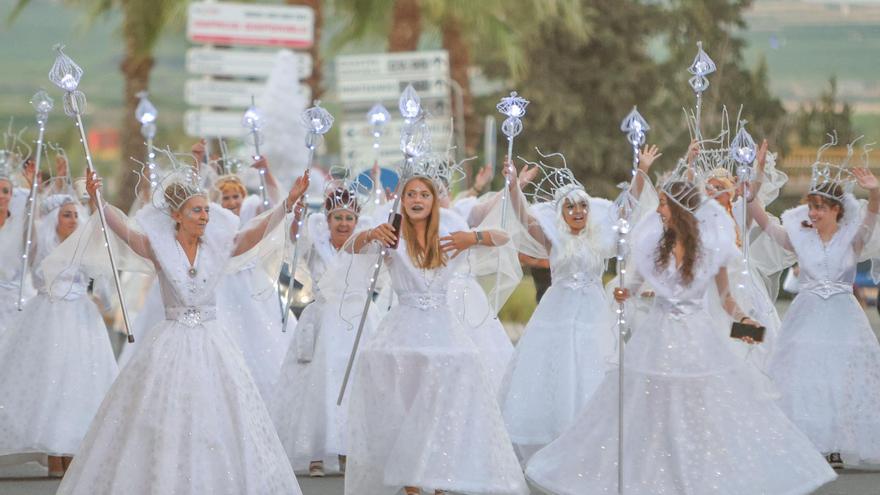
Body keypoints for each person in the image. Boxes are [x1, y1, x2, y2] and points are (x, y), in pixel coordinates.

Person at [524, 168, 837, 495]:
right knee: (650, 403)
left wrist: (747, 322)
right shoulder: (652, 247)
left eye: (663, 204)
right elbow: (628, 286)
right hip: (657, 335)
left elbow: (727, 298)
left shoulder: (711, 250)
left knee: (698, 403)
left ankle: (695, 464)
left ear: (680, 209)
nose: (658, 210)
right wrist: (622, 293)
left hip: (696, 335)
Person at [51, 164, 308, 494]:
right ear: (178, 215)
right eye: (198, 210)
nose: (205, 216)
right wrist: (96, 198)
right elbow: (122, 231)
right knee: (161, 412)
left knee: (222, 413)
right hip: (171, 340)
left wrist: (287, 202)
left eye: (206, 210)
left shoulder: (217, 247)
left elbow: (253, 234)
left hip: (213, 341)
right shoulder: (158, 248)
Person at [343, 168, 527, 495]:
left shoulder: (452, 226)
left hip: (444, 329)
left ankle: (439, 476)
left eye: (424, 194)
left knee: (441, 407)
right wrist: (371, 235)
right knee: (406, 406)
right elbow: (351, 247)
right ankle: (412, 480)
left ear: (434, 201)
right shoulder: (392, 229)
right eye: (411, 194)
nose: (417, 200)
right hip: (403, 329)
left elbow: (502, 237)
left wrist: (473, 237)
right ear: (402, 199)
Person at [747, 156, 880, 468]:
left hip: (842, 317)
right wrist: (754, 184)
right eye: (812, 206)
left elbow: (873, 214)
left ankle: (837, 443)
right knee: (805, 376)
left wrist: (874, 191)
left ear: (837, 210)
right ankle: (809, 442)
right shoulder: (800, 238)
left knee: (840, 377)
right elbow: (765, 222)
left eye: (821, 207)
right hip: (806, 317)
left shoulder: (853, 239)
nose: (814, 212)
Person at [0, 192, 117, 477]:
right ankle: (54, 452)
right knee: (52, 379)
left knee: (79, 381)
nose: (73, 220)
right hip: (48, 317)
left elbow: (102, 268)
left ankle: (73, 449)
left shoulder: (83, 247)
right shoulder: (40, 245)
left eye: (76, 215)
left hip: (80, 318)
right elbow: (26, 231)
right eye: (67, 215)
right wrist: (32, 193)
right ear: (54, 219)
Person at [271, 181, 377, 477]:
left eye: (349, 218)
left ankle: (347, 450)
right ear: (328, 220)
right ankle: (315, 452)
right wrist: (297, 217)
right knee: (319, 385)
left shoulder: (366, 247)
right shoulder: (316, 248)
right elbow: (295, 239)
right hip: (324, 323)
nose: (344, 223)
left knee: (356, 382)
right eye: (338, 217)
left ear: (357, 222)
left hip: (359, 322)